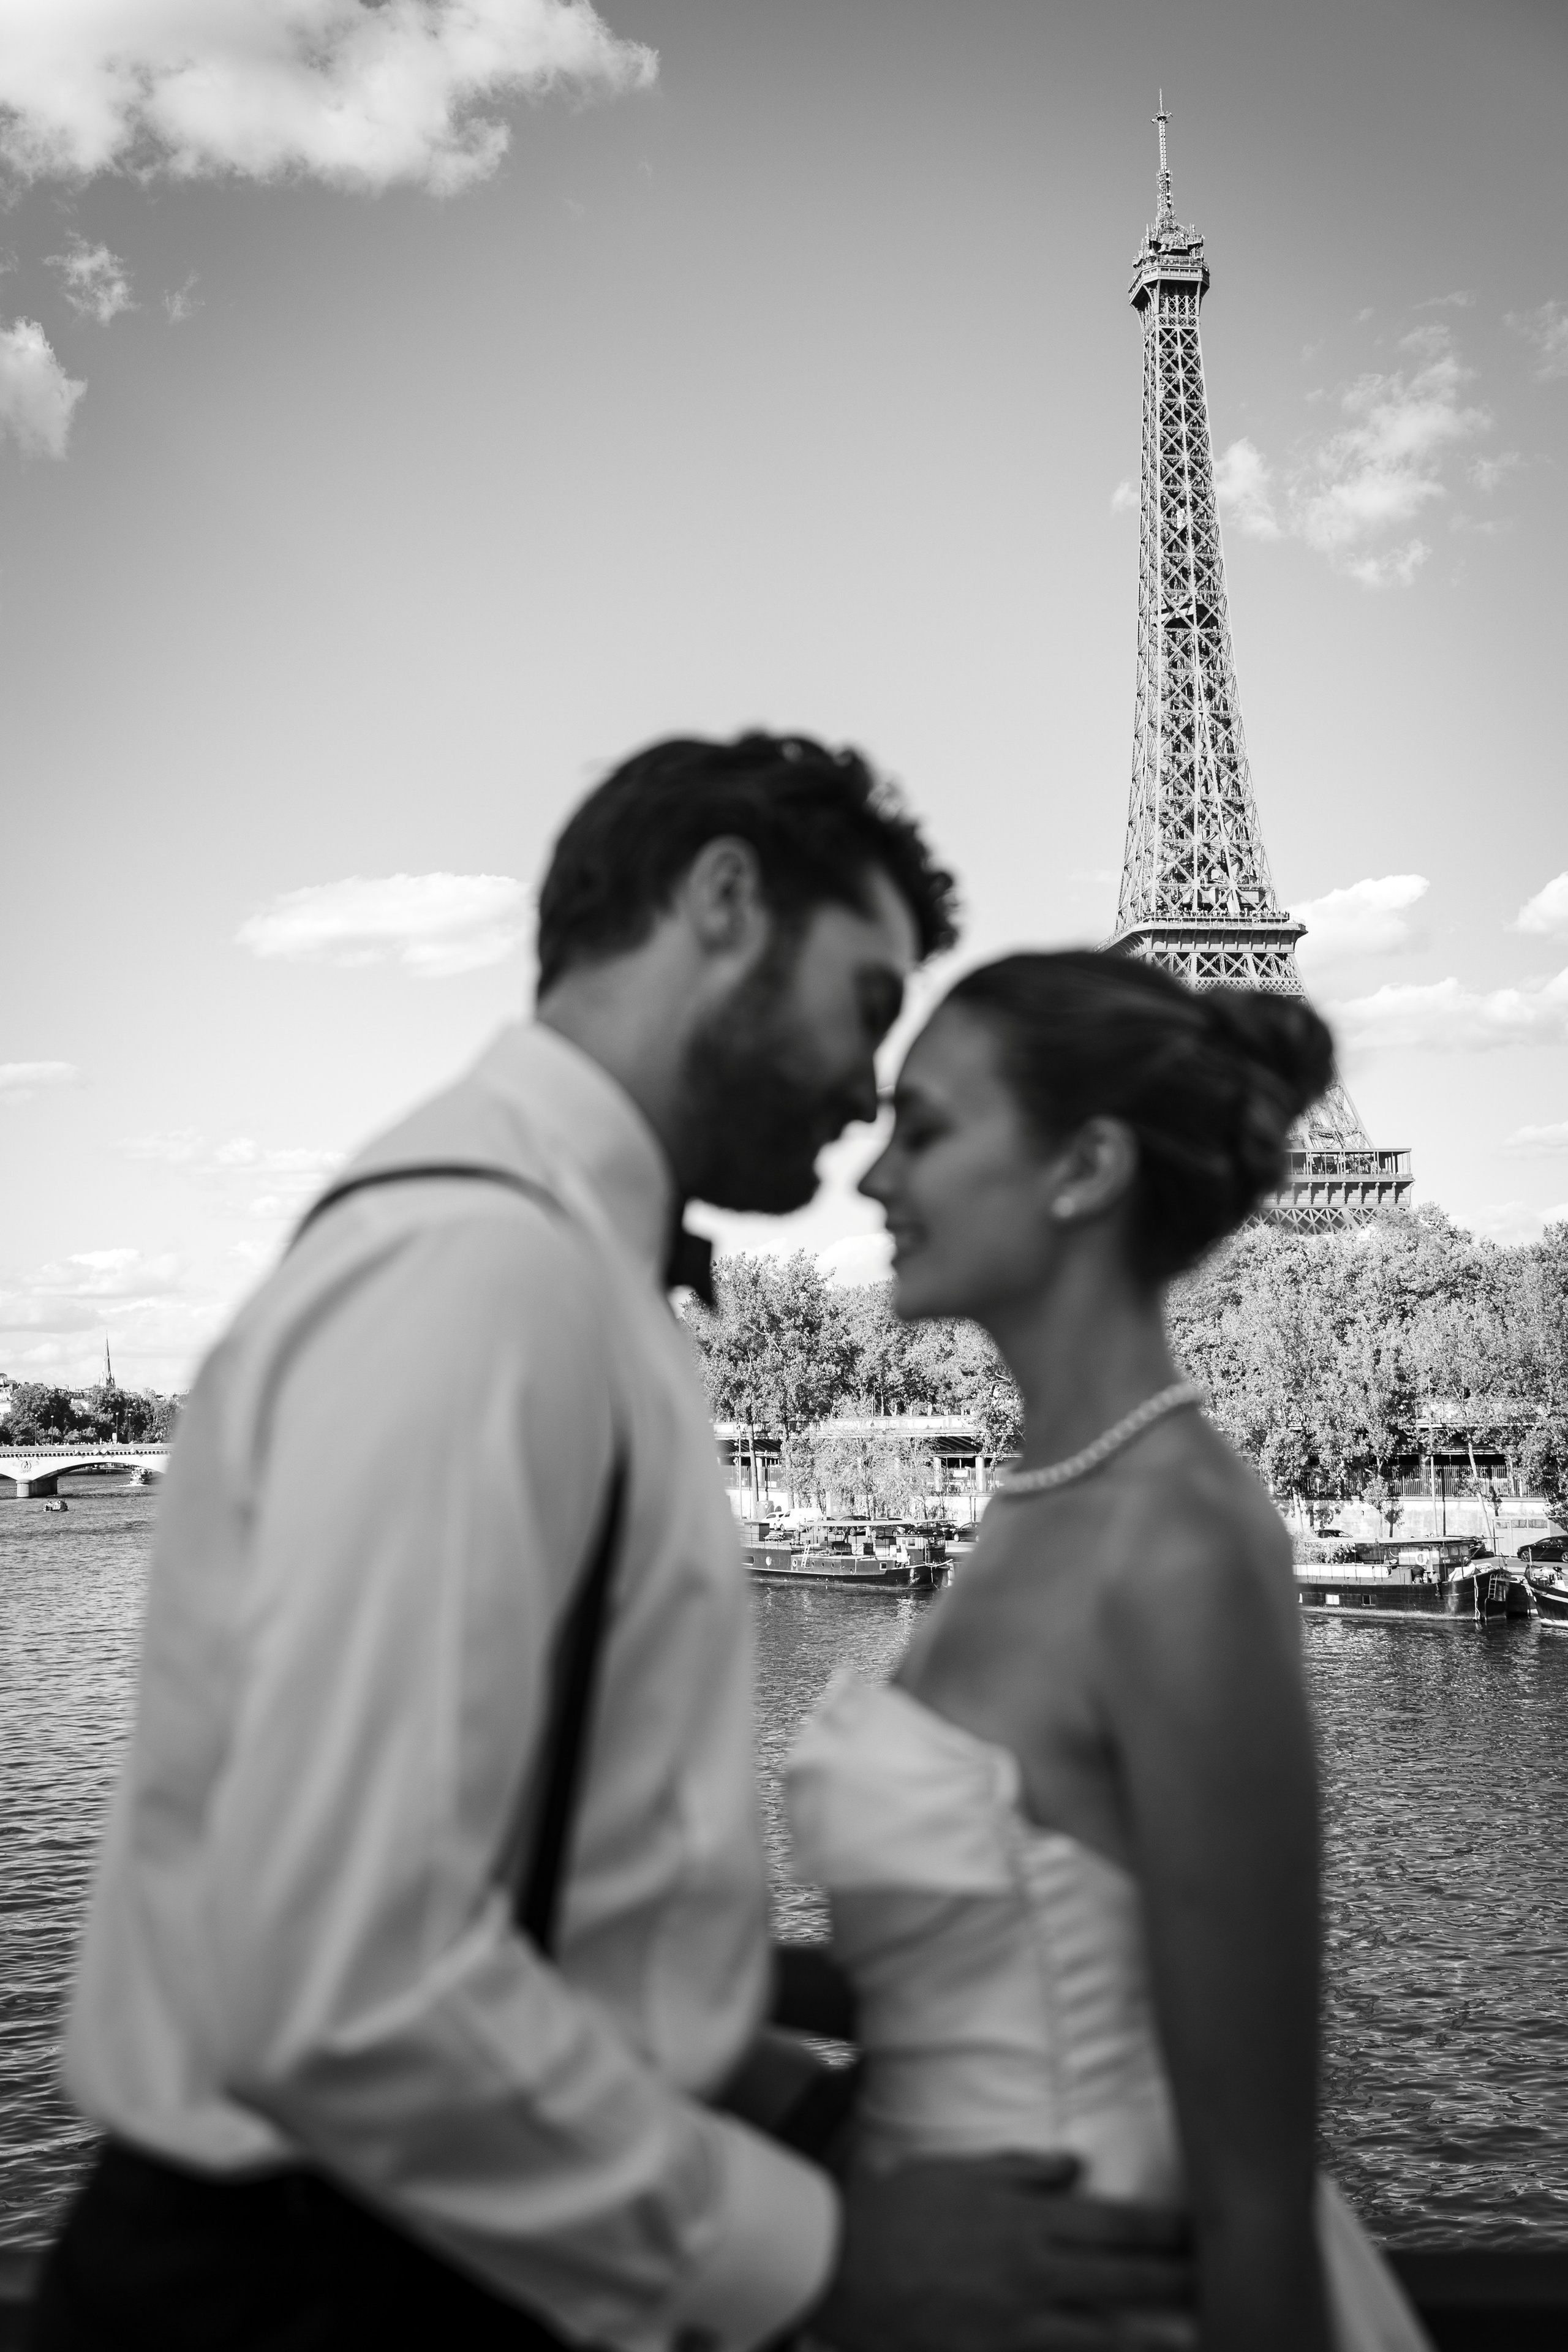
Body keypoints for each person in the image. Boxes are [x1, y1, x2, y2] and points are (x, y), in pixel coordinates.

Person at [29, 741, 1188, 2352]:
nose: (869, 1092)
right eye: (865, 1003)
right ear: (724, 902)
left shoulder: (532, 1259)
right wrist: (827, 2255)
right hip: (334, 2286)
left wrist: (773, 2038)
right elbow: (347, 1981)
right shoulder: (482, 1280)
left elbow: (505, 1893)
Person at [785, 949, 1432, 2352]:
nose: (875, 1179)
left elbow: (1253, 2190)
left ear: (1082, 1166)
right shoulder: (1042, 1492)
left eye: (927, 1128)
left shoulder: (1179, 1541)